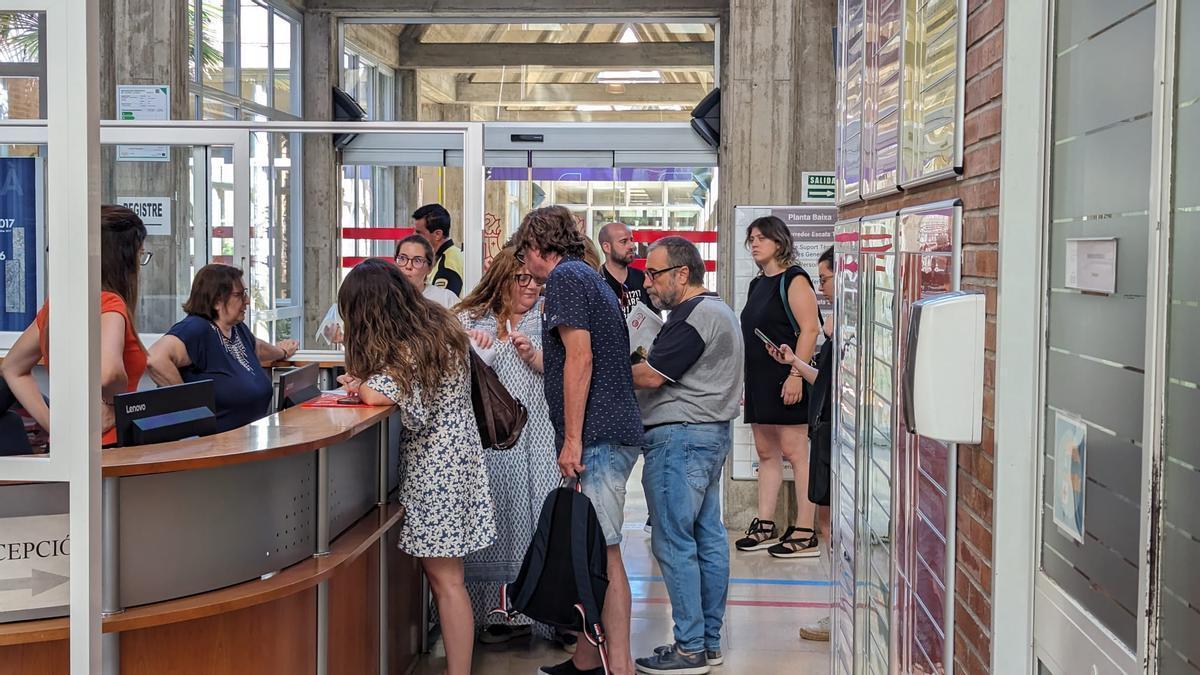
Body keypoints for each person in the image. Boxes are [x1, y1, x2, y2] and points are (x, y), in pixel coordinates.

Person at [335, 258, 496, 675]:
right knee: (450, 580)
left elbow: (382, 396)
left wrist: (361, 384)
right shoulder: (437, 326)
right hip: (457, 461)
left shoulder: (410, 347)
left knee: (447, 583)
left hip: (436, 470)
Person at [513, 206, 644, 675]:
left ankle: (621, 667)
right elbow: (585, 359)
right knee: (594, 549)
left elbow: (582, 360)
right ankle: (588, 660)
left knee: (605, 553)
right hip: (611, 429)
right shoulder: (587, 276)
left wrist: (571, 440)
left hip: (599, 437)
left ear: (536, 247)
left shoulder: (567, 280)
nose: (521, 264)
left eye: (522, 251)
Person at [630, 237, 743, 675]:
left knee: (674, 543)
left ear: (682, 273)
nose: (648, 281)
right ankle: (708, 642)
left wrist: (607, 364)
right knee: (706, 538)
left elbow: (653, 377)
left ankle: (690, 647)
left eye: (655, 273)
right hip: (707, 436)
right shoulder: (718, 311)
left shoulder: (695, 316)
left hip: (680, 439)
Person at [453, 247, 559, 645]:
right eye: (523, 279)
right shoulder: (470, 319)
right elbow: (447, 366)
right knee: (501, 519)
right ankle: (499, 611)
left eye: (537, 280)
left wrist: (537, 357)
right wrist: (471, 345)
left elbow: (570, 366)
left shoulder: (549, 317)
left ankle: (549, 612)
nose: (532, 287)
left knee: (540, 520)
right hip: (493, 439)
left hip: (542, 435)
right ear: (502, 278)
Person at [2, 205, 149, 447]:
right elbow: (109, 372)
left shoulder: (58, 306)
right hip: (111, 444)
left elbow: (12, 367)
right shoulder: (110, 303)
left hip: (74, 446)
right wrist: (114, 405)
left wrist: (54, 426)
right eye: (140, 254)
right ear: (122, 258)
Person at [735, 215, 823, 558]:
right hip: (759, 378)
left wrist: (796, 376)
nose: (754, 243)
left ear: (779, 241)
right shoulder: (758, 284)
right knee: (766, 453)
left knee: (797, 454)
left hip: (788, 376)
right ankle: (766, 523)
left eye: (761, 238)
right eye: (751, 238)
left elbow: (810, 330)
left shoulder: (794, 279)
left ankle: (805, 530)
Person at [764, 246, 836, 641]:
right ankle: (838, 608)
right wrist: (796, 361)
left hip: (842, 441)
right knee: (827, 524)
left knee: (831, 525)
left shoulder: (848, 325)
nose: (822, 289)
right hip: (828, 433)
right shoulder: (837, 327)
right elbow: (825, 380)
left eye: (824, 279)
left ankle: (843, 608)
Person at [146, 264, 299, 433]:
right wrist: (189, 407)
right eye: (239, 295)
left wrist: (283, 352)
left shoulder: (237, 329)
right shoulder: (197, 328)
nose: (247, 300)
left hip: (246, 443)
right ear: (217, 301)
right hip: (212, 448)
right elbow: (155, 359)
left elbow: (258, 347)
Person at [316, 234, 458, 347]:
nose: (408, 266)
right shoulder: (382, 296)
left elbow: (460, 338)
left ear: (430, 267)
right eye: (402, 258)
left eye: (417, 260)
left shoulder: (446, 299)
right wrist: (344, 337)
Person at [598, 222, 658, 316]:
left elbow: (655, 315)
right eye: (624, 241)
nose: (632, 246)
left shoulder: (642, 278)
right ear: (607, 247)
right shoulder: (596, 282)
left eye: (631, 240)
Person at [413, 203, 464, 296]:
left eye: (419, 233)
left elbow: (442, 307)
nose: (414, 237)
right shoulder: (452, 254)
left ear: (438, 234)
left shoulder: (447, 265)